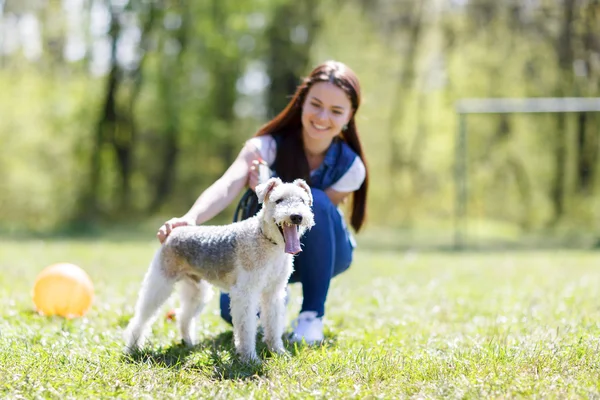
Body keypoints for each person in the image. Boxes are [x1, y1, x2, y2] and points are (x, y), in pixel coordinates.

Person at [157, 60, 369, 344]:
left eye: (336, 111)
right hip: (262, 248)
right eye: (315, 104)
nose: (322, 117)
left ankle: (311, 315)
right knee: (235, 312)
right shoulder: (267, 146)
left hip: (326, 252)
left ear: (350, 115)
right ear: (301, 102)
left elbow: (320, 219)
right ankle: (277, 294)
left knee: (316, 201)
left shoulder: (351, 167)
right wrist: (191, 218)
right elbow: (227, 185)